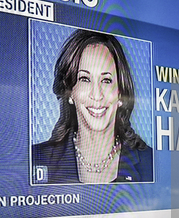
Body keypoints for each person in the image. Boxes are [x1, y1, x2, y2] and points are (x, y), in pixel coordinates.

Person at [33, 29, 153, 184]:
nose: (97, 95)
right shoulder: (36, 159)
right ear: (70, 93)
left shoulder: (150, 163)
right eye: (84, 79)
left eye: (106, 80)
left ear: (121, 94)